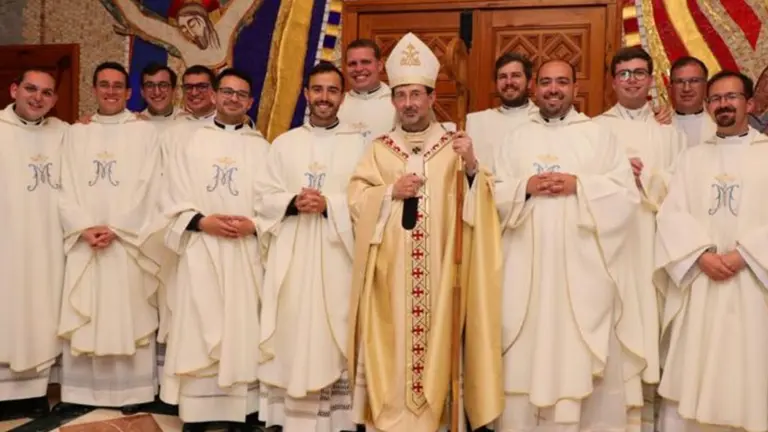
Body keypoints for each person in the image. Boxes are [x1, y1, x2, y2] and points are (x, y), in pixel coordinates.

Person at [347, 32, 502, 432]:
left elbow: (481, 205)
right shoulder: (379, 149)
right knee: (393, 349)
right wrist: (388, 193)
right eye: (401, 95)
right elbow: (356, 201)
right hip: (390, 279)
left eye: (416, 94)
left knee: (439, 348)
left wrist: (471, 167)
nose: (409, 103)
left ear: (432, 98)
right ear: (392, 101)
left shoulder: (453, 146)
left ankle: (437, 420)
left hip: (441, 276)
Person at [493, 59, 644, 431]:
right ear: (535, 88)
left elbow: (625, 196)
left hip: (582, 273)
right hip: (525, 269)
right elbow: (490, 193)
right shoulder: (515, 139)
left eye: (562, 82)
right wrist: (524, 187)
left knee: (579, 352)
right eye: (546, 82)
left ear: (575, 88)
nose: (553, 89)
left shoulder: (598, 136)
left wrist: (580, 185)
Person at [153, 67, 268, 432]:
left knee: (242, 327)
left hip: (244, 252)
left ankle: (242, 410)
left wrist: (254, 225)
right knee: (198, 326)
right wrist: (201, 222)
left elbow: (272, 200)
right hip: (201, 249)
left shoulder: (262, 147)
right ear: (215, 96)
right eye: (227, 92)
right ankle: (197, 412)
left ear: (250, 101)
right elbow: (169, 193)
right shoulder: (189, 142)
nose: (233, 99)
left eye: (241, 94)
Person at [656, 71, 768, 432]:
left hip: (753, 285)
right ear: (707, 106)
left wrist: (746, 254)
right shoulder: (692, 159)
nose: (723, 104)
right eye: (716, 98)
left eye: (731, 97)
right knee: (698, 366)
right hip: (702, 282)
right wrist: (700, 255)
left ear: (750, 103)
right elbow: (671, 213)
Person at [256, 60, 364, 432]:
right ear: (306, 93)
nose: (324, 97)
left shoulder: (359, 144)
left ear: (343, 97)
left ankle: (337, 419)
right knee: (291, 325)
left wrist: (329, 204)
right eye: (317, 89)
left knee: (334, 328)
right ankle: (288, 416)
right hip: (293, 254)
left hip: (337, 253)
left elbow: (367, 199)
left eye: (332, 90)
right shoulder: (284, 144)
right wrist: (292, 202)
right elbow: (263, 196)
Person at [57, 61, 163, 412]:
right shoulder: (76, 133)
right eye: (104, 84)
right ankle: (80, 393)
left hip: (127, 242)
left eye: (118, 85)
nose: (111, 91)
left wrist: (119, 227)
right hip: (86, 240)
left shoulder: (145, 133)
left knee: (127, 311)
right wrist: (83, 227)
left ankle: (132, 393)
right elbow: (64, 184)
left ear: (129, 92)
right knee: (87, 310)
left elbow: (151, 185)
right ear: (94, 89)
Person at [594, 46, 687, 431]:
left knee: (650, 316)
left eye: (638, 73)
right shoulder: (594, 129)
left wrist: (643, 177)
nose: (631, 80)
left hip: (652, 239)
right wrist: (616, 177)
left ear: (651, 80)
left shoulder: (669, 133)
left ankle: (648, 415)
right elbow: (584, 180)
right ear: (613, 81)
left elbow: (683, 185)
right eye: (624, 73)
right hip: (609, 243)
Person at [0, 69, 68, 420]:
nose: (37, 98)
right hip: (7, 241)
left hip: (47, 243)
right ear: (14, 90)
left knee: (42, 312)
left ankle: (35, 393)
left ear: (54, 100)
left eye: (46, 92)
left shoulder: (63, 133)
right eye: (30, 89)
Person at [466, 52, 536, 167]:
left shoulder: (542, 119)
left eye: (516, 75)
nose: (509, 82)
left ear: (529, 83)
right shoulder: (478, 122)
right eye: (502, 77)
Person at [337, 39, 396, 142]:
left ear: (380, 66)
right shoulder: (337, 104)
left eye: (365, 62)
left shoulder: (397, 102)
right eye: (352, 64)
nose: (358, 69)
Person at [668, 56, 716, 146]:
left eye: (694, 81)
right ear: (670, 88)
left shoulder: (721, 126)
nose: (686, 88)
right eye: (679, 81)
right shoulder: (658, 127)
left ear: (706, 86)